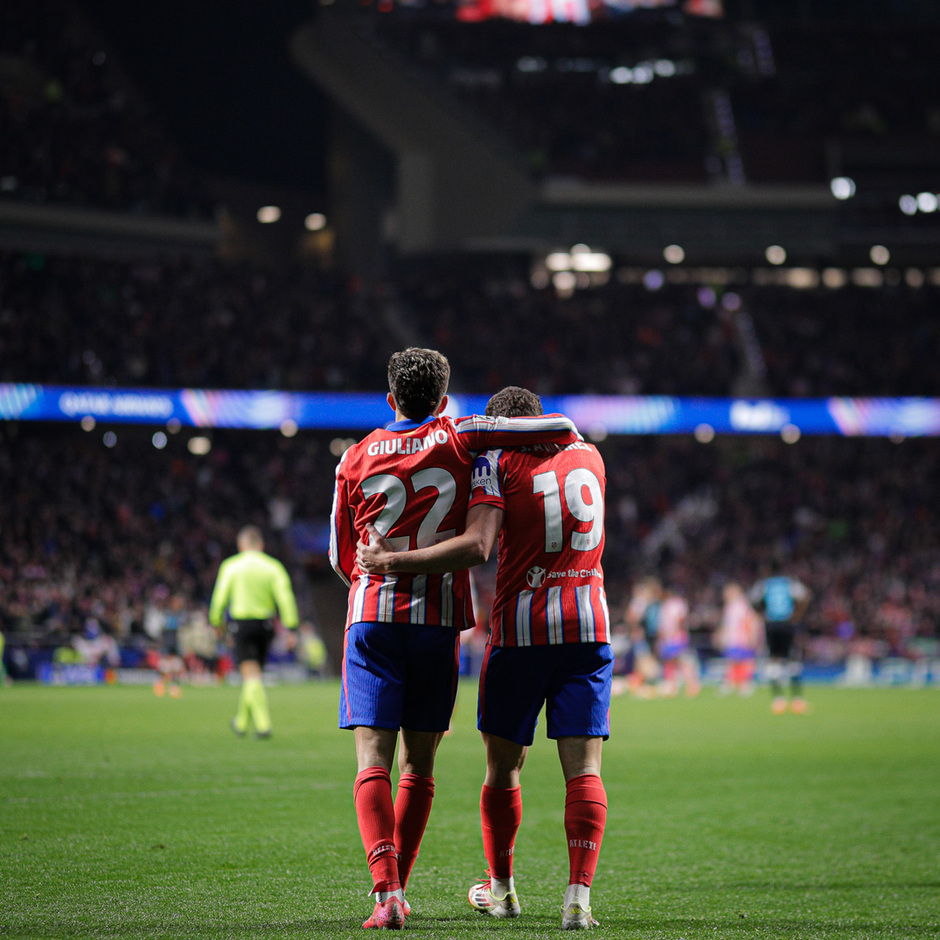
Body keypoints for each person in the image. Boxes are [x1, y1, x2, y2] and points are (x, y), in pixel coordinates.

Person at [329, 351, 581, 931]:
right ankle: (401, 886)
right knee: (419, 766)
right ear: (443, 401)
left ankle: (386, 892)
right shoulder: (460, 436)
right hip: (439, 620)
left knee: (373, 760)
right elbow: (558, 426)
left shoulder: (354, 457)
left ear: (390, 398)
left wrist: (376, 577)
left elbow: (341, 559)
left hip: (372, 619)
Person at [208, 525, 299, 737]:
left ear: (241, 544)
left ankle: (263, 724)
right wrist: (291, 627)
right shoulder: (273, 567)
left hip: (241, 625)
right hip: (265, 626)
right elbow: (285, 598)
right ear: (261, 544)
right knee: (253, 673)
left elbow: (220, 597)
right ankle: (240, 722)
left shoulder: (231, 566)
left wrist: (216, 622)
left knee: (250, 675)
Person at [749, 564, 811, 713]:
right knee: (792, 660)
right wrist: (797, 615)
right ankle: (797, 700)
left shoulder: (764, 584)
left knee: (773, 660)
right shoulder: (789, 583)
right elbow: (805, 596)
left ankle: (778, 700)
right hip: (787, 624)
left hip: (771, 625)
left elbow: (751, 599)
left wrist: (761, 615)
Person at [714, 582, 763, 696]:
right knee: (732, 660)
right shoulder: (729, 607)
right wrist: (720, 634)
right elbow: (726, 624)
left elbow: (752, 621)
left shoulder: (743, 606)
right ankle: (731, 682)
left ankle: (746, 683)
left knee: (744, 660)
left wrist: (751, 636)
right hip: (731, 638)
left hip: (741, 638)